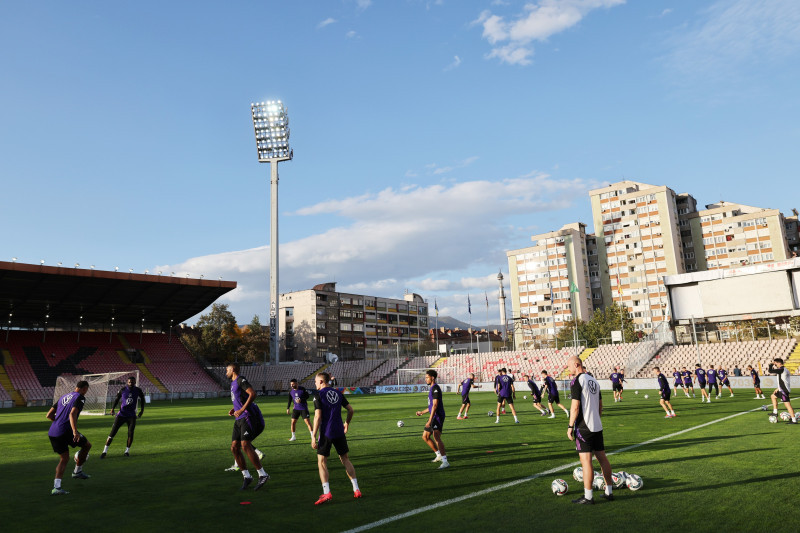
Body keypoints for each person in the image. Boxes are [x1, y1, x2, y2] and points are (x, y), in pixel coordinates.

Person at [566, 356, 614, 505]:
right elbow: (600, 405)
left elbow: (575, 407)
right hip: (597, 426)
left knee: (586, 461)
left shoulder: (577, 381)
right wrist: (596, 419)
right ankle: (609, 492)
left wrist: (569, 426)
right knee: (602, 458)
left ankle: (588, 496)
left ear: (576, 364)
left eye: (569, 366)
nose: (568, 369)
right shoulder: (594, 380)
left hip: (583, 426)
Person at [311, 372, 362, 504]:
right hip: (339, 430)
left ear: (322, 381)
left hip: (327, 432)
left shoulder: (318, 395)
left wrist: (313, 435)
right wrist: (347, 424)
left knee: (322, 462)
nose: (315, 384)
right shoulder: (338, 393)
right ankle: (356, 489)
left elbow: (318, 416)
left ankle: (326, 492)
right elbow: (351, 410)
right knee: (345, 459)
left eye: (316, 381)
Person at [226, 363, 269, 490]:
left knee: (245, 445)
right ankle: (247, 476)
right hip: (238, 418)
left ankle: (263, 474)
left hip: (247, 417)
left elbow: (252, 394)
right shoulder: (233, 383)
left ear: (233, 370)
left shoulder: (241, 380)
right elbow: (242, 399)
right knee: (234, 447)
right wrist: (235, 409)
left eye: (227, 370)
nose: (226, 372)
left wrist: (242, 409)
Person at [47, 380, 92, 495]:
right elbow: (72, 414)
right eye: (86, 390)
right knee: (87, 445)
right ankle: (77, 471)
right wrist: (74, 431)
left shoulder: (63, 397)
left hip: (53, 431)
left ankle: (56, 488)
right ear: (84, 388)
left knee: (64, 458)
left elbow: (49, 415)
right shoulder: (80, 397)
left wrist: (58, 423)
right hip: (66, 431)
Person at [101, 376, 144, 458]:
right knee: (112, 433)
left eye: (132, 382)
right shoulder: (123, 390)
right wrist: (112, 408)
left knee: (130, 433)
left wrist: (142, 410)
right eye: (129, 382)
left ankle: (127, 451)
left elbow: (142, 399)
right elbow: (117, 399)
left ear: (135, 382)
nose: (131, 383)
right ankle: (104, 451)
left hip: (131, 416)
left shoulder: (138, 390)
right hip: (121, 415)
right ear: (127, 382)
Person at [415, 369, 449, 469]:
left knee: (436, 437)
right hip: (433, 416)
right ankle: (438, 455)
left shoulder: (435, 388)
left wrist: (430, 420)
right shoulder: (432, 388)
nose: (425, 379)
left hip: (437, 417)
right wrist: (422, 412)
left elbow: (435, 406)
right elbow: (431, 407)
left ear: (432, 378)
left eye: (427, 377)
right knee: (425, 436)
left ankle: (445, 461)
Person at [767, 358, 797, 423]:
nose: (775, 365)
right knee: (773, 396)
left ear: (779, 363)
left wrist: (770, 365)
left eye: (776, 363)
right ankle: (775, 412)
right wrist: (778, 388)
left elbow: (770, 371)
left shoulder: (781, 369)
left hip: (784, 391)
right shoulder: (783, 369)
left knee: (788, 405)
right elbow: (783, 381)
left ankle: (794, 420)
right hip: (782, 389)